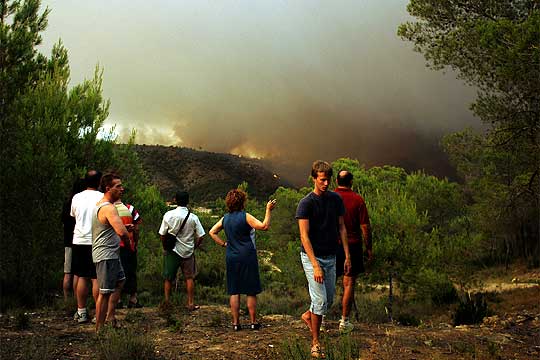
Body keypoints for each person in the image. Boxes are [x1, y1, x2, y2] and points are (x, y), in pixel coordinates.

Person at [296, 160, 351, 359]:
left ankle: (307, 316)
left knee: (327, 301)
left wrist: (346, 255)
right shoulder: (306, 203)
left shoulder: (335, 200)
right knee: (320, 301)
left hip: (332, 256)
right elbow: (304, 236)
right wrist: (315, 265)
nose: (326, 184)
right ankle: (316, 343)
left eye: (328, 180)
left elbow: (342, 227)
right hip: (312, 258)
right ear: (314, 179)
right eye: (322, 180)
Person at [209, 189, 276, 331]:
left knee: (234, 290)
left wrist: (223, 244)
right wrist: (268, 210)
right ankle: (253, 322)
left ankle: (235, 324)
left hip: (231, 256)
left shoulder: (225, 218)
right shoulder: (245, 216)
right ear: (243, 201)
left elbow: (212, 232)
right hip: (247, 255)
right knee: (250, 290)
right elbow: (264, 226)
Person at [92, 173, 132, 332]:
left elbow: (113, 228)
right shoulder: (108, 207)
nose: (122, 189)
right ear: (108, 188)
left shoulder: (103, 205)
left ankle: (110, 317)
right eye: (118, 186)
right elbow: (122, 233)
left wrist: (122, 229)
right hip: (106, 255)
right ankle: (99, 329)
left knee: (120, 281)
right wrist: (129, 244)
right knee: (105, 292)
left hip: (110, 254)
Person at [335, 170, 373, 333]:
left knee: (325, 282)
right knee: (349, 283)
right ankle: (344, 322)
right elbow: (365, 227)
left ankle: (319, 321)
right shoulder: (358, 199)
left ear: (336, 181)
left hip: (332, 245)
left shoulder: (329, 198)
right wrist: (369, 247)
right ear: (351, 182)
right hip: (353, 245)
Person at [159, 191, 205, 310]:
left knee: (168, 278)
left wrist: (165, 246)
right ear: (188, 201)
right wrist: (195, 246)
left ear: (175, 200)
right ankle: (190, 303)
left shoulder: (168, 215)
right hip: (188, 252)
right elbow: (201, 236)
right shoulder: (193, 217)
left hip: (172, 251)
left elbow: (162, 234)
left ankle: (167, 303)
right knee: (189, 278)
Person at [70, 170, 103, 323]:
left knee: (82, 276)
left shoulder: (76, 197)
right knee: (96, 278)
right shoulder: (102, 198)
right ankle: (98, 314)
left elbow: (73, 216)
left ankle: (81, 311)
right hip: (96, 241)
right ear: (99, 181)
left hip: (79, 240)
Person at [114, 200, 142, 308]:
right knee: (131, 271)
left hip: (114, 245)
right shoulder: (130, 208)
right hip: (129, 245)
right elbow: (136, 229)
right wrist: (135, 243)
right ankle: (133, 298)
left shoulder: (107, 208)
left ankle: (118, 299)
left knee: (116, 272)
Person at [61, 178, 85, 302]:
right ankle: (77, 299)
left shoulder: (67, 202)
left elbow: (63, 221)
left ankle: (66, 299)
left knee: (67, 272)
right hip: (78, 240)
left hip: (68, 241)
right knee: (78, 273)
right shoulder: (80, 203)